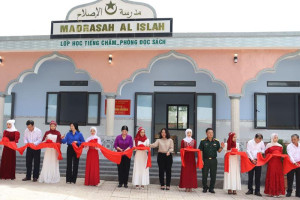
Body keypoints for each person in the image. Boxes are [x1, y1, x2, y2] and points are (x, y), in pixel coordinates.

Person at [198, 128, 225, 193]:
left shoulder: (216, 141)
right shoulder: (203, 141)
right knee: (204, 175)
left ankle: (211, 188)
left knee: (213, 175)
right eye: (209, 133)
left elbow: (218, 151)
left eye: (212, 133)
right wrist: (201, 160)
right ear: (206, 133)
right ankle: (205, 187)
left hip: (213, 160)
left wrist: (221, 147)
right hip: (205, 160)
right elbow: (200, 151)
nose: (211, 134)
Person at [264, 133, 285, 197]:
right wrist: (271, 155)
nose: (276, 139)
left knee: (278, 175)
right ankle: (271, 192)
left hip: (278, 162)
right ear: (272, 138)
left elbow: (281, 153)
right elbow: (266, 154)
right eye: (275, 137)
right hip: (271, 162)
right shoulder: (268, 145)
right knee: (272, 175)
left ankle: (277, 192)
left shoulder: (280, 145)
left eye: (277, 137)